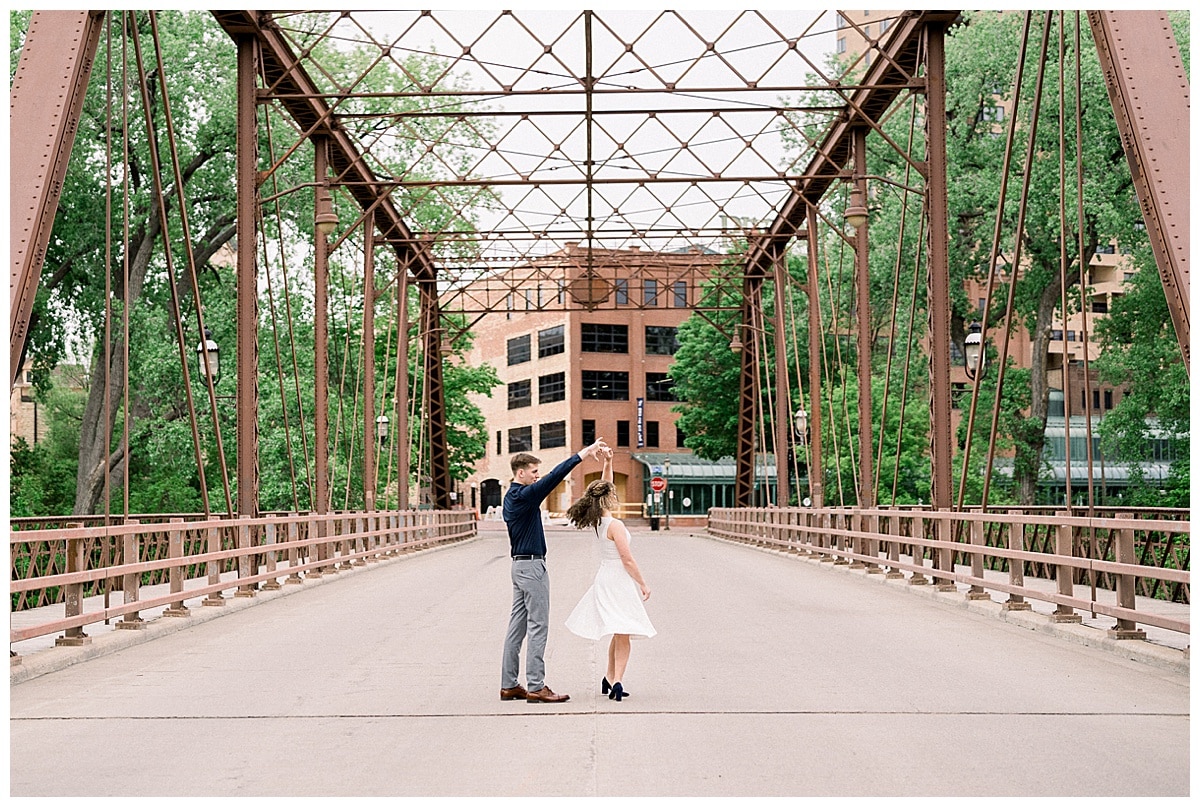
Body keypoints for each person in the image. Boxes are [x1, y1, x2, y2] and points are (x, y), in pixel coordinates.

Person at [500, 438, 608, 704]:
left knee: (517, 627)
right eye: (534, 472)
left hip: (518, 566)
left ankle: (509, 684)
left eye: (538, 472)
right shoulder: (526, 495)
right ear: (521, 472)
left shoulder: (510, 498)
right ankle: (536, 685)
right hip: (533, 567)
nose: (538, 476)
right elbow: (556, 475)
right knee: (538, 626)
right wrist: (584, 453)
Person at [564, 447, 654, 702]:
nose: (615, 495)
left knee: (619, 629)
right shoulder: (615, 525)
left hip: (604, 578)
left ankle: (608, 676)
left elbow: (605, 485)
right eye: (612, 493)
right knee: (624, 630)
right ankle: (617, 681)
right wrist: (643, 583)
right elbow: (627, 559)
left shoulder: (597, 521)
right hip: (618, 580)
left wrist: (609, 462)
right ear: (608, 499)